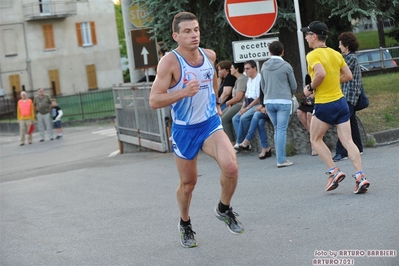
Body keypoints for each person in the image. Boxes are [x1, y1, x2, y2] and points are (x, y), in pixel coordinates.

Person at [149, 11, 244, 248]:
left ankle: (223, 208)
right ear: (176, 36)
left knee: (231, 166)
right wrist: (183, 92)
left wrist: (216, 102)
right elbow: (154, 100)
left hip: (209, 123)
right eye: (188, 31)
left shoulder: (208, 55)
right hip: (184, 129)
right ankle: (185, 223)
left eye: (196, 30)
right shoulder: (169, 62)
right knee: (189, 184)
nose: (194, 35)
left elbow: (212, 79)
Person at [301, 21, 370, 194]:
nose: (306, 37)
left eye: (307, 34)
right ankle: (360, 176)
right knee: (348, 141)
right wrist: (331, 80)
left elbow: (321, 74)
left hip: (325, 103)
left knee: (315, 139)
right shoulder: (335, 53)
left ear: (314, 36)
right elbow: (348, 75)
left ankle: (334, 171)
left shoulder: (313, 55)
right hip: (341, 102)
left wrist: (310, 88)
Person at [261, 41, 297, 168]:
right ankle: (281, 160)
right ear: (282, 51)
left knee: (277, 129)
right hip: (283, 101)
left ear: (270, 52)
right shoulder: (286, 66)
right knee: (281, 130)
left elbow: (263, 86)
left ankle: (280, 158)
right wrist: (289, 94)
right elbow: (293, 85)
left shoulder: (264, 66)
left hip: (269, 101)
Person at [332, 32, 364, 162]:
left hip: (349, 94)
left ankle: (341, 152)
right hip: (350, 94)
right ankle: (359, 147)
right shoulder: (351, 57)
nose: (339, 46)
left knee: (342, 122)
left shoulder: (350, 58)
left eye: (340, 44)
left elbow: (338, 71)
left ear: (346, 45)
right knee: (351, 121)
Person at [232, 60, 261, 151]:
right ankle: (245, 143)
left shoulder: (259, 78)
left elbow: (258, 98)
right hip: (248, 102)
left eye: (248, 69)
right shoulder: (249, 80)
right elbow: (246, 96)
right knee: (235, 118)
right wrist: (242, 108)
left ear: (255, 68)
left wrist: (247, 108)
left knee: (244, 118)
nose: (246, 71)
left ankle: (239, 142)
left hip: (256, 104)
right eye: (245, 69)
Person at [239, 89, 271, 159]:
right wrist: (262, 106)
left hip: (274, 108)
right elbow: (262, 96)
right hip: (265, 108)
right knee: (260, 123)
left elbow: (274, 96)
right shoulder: (263, 80)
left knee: (256, 114)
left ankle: (247, 139)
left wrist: (266, 107)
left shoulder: (272, 80)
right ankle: (265, 148)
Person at [221, 62, 247, 145]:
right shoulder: (237, 79)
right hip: (234, 103)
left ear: (237, 69)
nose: (230, 70)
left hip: (240, 104)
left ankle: (232, 142)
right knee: (220, 115)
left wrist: (227, 103)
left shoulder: (242, 79)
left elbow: (237, 97)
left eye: (232, 68)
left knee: (224, 119)